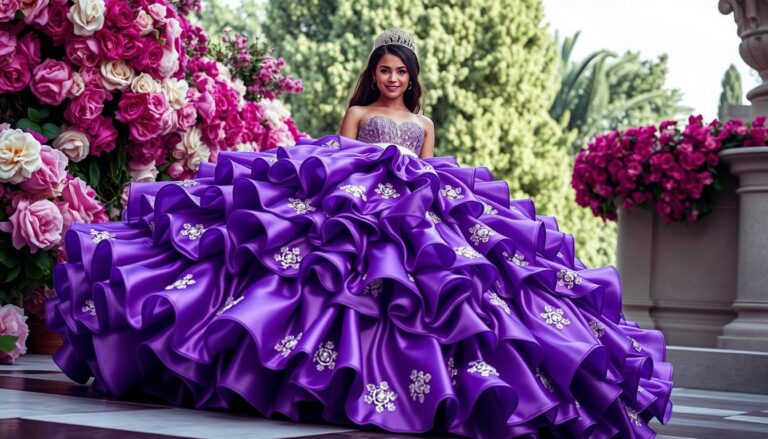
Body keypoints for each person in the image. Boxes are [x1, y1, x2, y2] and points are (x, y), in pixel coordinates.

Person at [47, 28, 672, 438]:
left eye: (401, 71)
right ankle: (296, 375)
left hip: (411, 213)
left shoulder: (421, 124)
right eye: (385, 70)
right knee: (310, 280)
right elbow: (337, 158)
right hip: (352, 204)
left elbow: (427, 169)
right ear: (374, 75)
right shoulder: (358, 113)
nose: (393, 79)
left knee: (448, 290)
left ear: (411, 76)